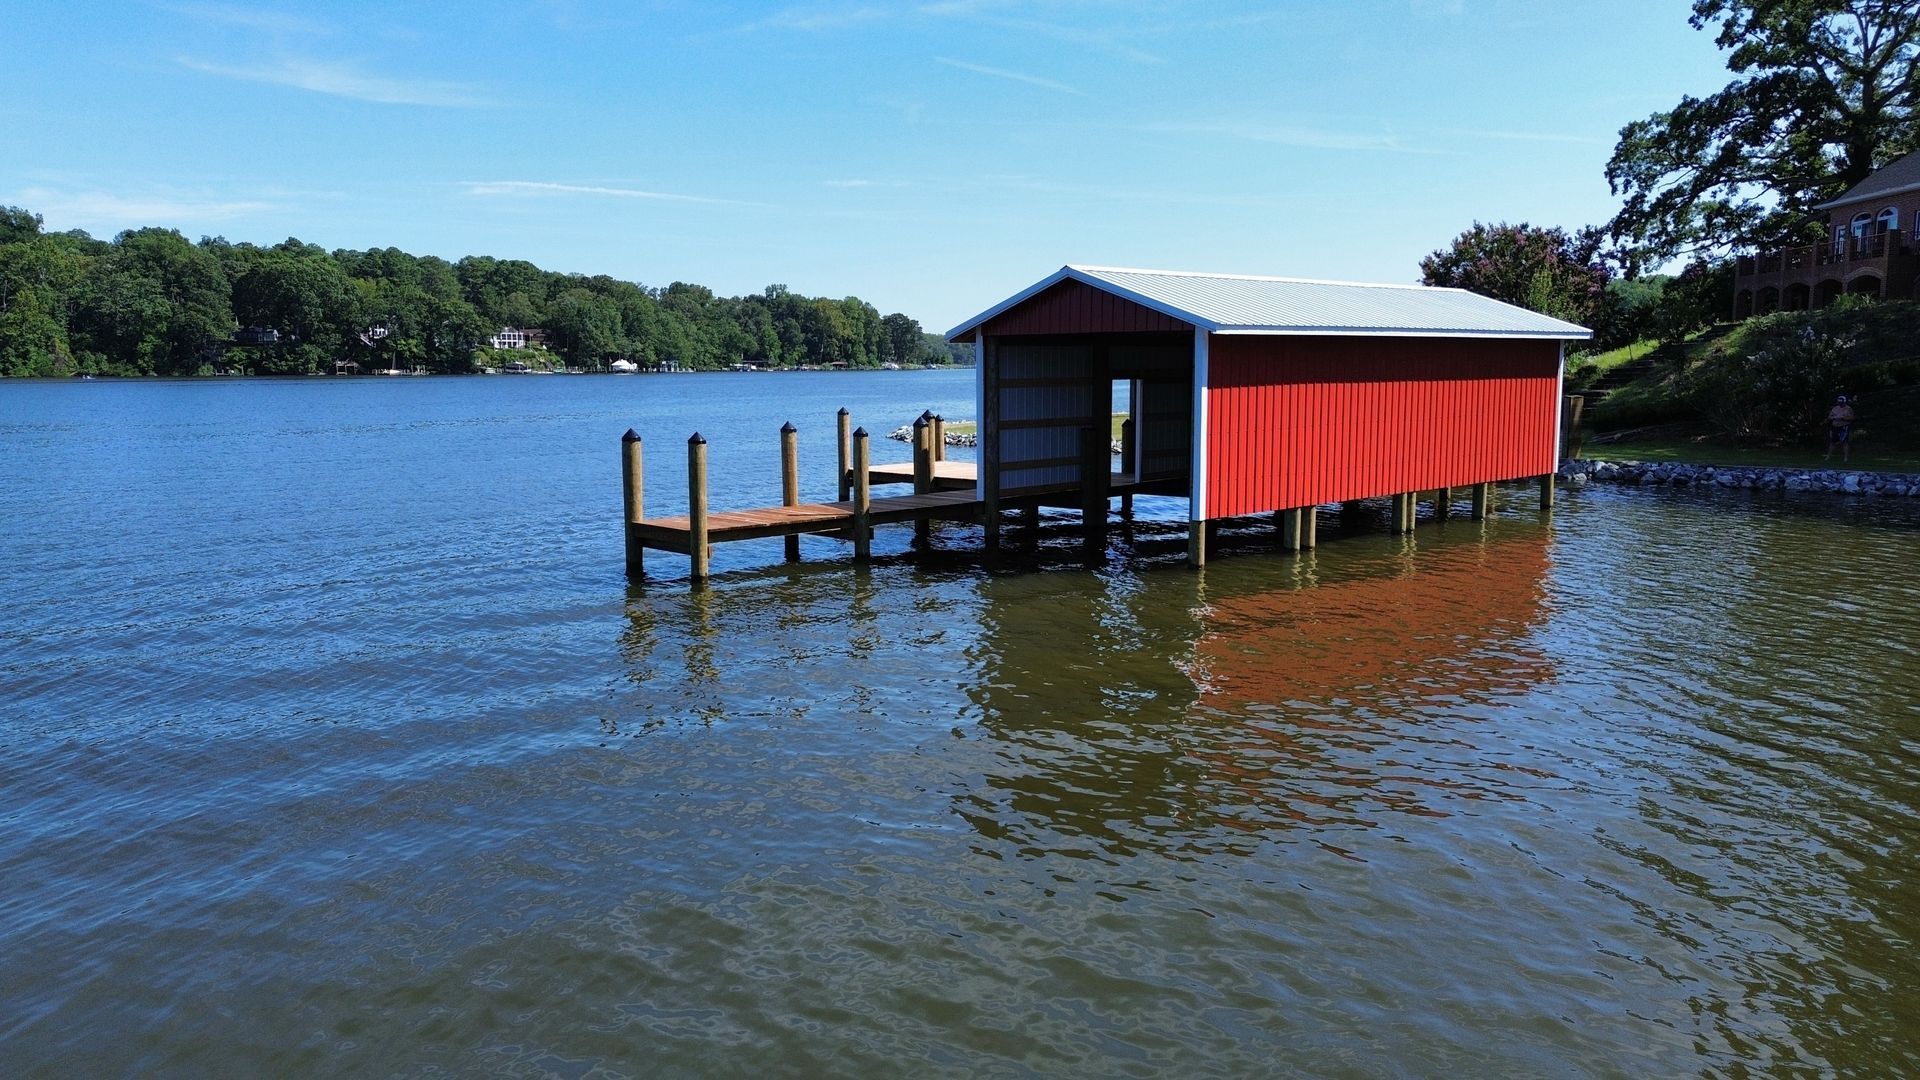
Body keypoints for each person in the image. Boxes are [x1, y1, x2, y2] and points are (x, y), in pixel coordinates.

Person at [1824, 394, 1856, 462]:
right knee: (1832, 442)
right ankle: (1828, 456)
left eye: (1842, 402)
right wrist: (1833, 418)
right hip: (1835, 426)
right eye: (1839, 402)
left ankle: (1845, 458)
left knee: (1844, 442)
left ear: (1844, 402)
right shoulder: (1835, 408)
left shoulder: (1848, 409)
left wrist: (1843, 418)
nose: (1840, 404)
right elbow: (1829, 417)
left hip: (1844, 427)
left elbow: (1852, 418)